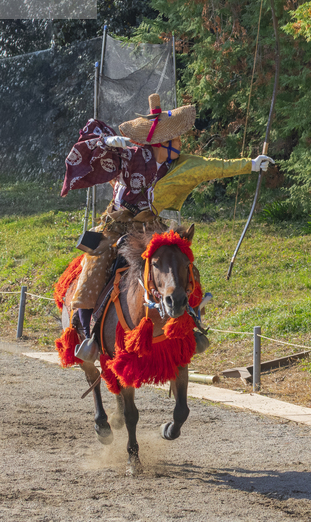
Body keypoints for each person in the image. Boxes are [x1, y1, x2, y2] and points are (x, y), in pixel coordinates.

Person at [61, 93, 274, 361]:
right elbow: (95, 150)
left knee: (180, 260)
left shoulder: (179, 164)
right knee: (94, 266)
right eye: (176, 138)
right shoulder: (131, 156)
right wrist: (107, 142)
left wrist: (251, 165)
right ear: (162, 143)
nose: (180, 143)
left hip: (150, 226)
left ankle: (192, 320)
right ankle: (88, 335)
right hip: (116, 225)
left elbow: (212, 167)